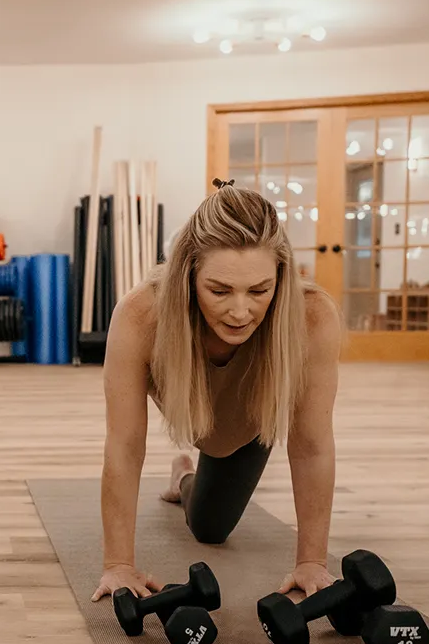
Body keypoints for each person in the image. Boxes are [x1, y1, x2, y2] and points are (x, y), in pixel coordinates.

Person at [92, 180, 343, 605]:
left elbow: (312, 446)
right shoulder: (140, 315)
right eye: (220, 290)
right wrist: (118, 565)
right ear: (188, 275)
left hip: (247, 425)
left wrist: (311, 562)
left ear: (281, 276)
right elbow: (124, 445)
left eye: (260, 290)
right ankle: (185, 466)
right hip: (193, 412)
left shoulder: (313, 316)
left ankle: (185, 476)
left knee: (210, 527)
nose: (241, 311)